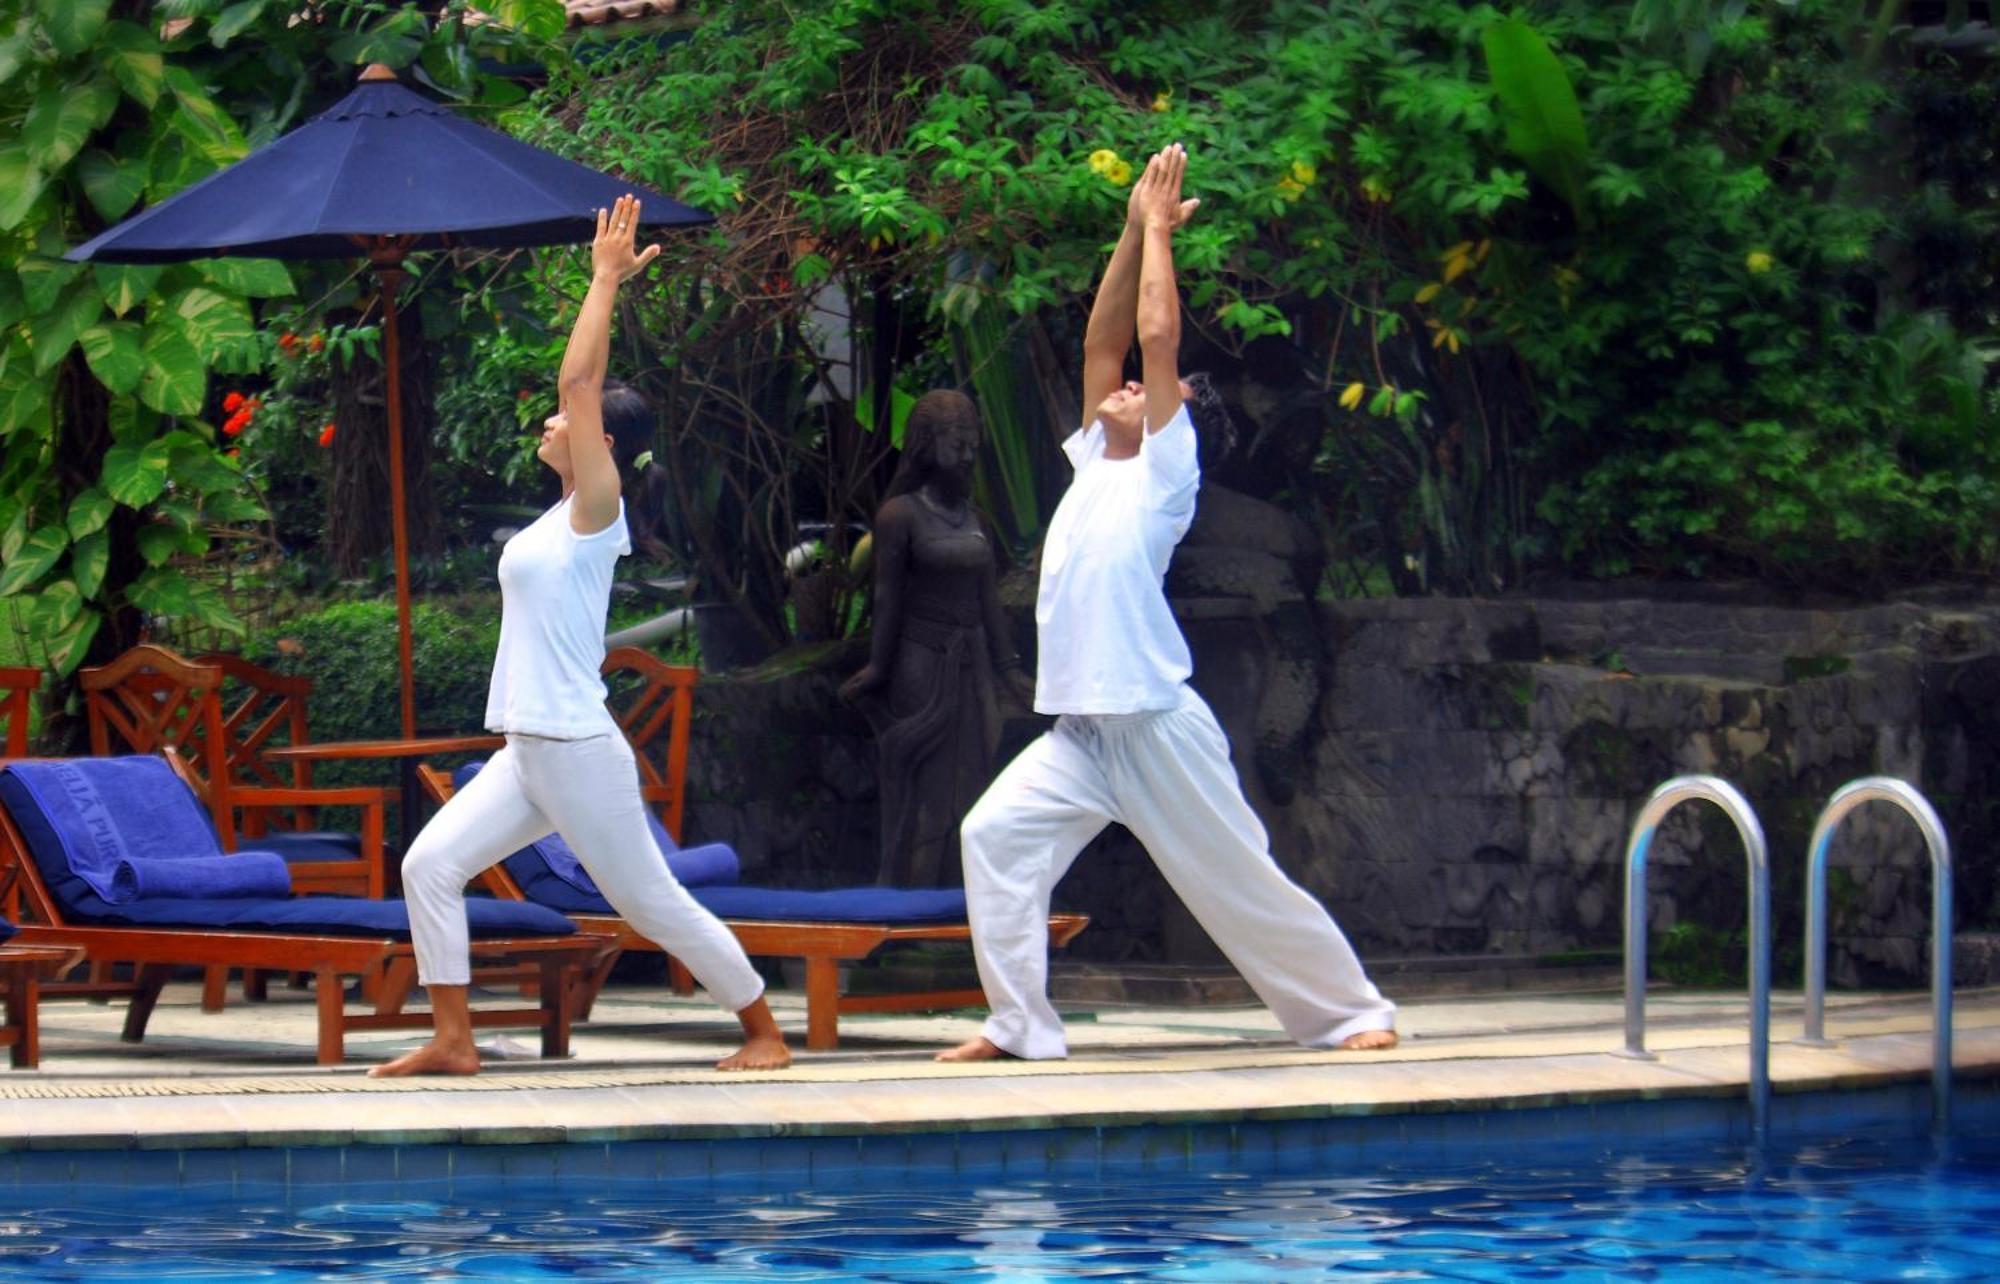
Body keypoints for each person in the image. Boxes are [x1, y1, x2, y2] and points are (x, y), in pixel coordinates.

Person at [939, 145, 1398, 1063]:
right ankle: (1020, 1027)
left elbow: (1153, 341)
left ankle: (1354, 1012)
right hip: (1083, 734)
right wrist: (1126, 229)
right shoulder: (1092, 466)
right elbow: (1103, 345)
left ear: (1179, 423)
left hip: (1154, 723)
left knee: (1234, 877)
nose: (1131, 390)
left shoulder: (1163, 471)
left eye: (1156, 396)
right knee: (992, 836)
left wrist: (1158, 237)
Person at [372, 195, 790, 1077]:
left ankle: (764, 1030)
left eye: (569, 422)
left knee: (649, 904)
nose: (551, 421)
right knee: (429, 867)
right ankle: (454, 1040)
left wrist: (604, 279)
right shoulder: (556, 520)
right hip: (531, 747)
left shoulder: (600, 516)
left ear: (602, 443)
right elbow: (573, 397)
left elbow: (578, 385)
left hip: (574, 744)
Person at [840, 390, 1035, 887]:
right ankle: (915, 900)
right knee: (928, 786)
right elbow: (887, 600)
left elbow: (989, 598)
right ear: (927, 446)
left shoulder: (977, 520)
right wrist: (879, 669)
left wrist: (1010, 668)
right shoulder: (899, 516)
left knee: (978, 781)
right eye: (957, 444)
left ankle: (964, 898)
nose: (968, 456)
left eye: (974, 445)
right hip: (920, 665)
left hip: (975, 669)